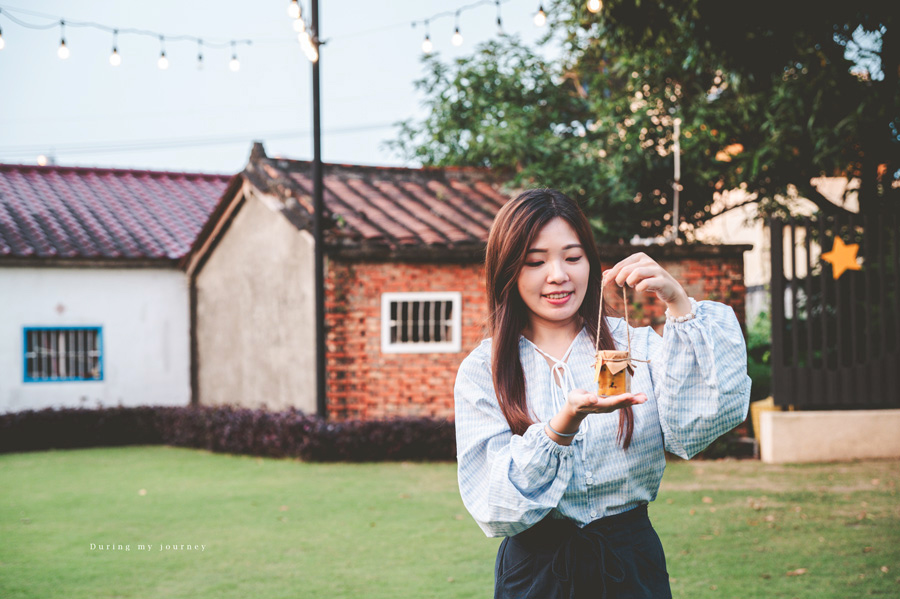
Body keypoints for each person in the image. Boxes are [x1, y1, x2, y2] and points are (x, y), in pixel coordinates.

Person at [454, 188, 751, 599]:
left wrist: (679, 303)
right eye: (535, 261)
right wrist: (561, 427)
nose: (558, 274)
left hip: (629, 566)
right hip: (537, 575)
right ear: (509, 270)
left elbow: (703, 421)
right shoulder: (483, 371)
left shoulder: (639, 348)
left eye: (572, 257)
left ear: (592, 264)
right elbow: (493, 505)